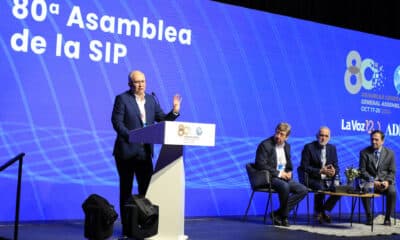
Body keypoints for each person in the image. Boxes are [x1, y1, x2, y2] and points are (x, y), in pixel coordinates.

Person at [111, 70, 182, 233]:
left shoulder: (151, 100)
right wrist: (131, 136)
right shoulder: (122, 99)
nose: (140, 84)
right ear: (130, 84)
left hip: (144, 152)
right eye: (137, 82)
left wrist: (175, 111)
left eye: (143, 81)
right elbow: (116, 122)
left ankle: (145, 222)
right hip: (126, 152)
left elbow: (162, 120)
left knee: (147, 189)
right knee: (126, 189)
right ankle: (127, 226)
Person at [255, 122, 308, 227]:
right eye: (277, 133)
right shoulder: (265, 145)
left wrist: (289, 172)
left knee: (303, 190)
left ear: (287, 137)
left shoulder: (287, 146)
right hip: (270, 177)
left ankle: (277, 214)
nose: (278, 136)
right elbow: (260, 164)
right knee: (285, 186)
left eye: (282, 134)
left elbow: (288, 164)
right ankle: (284, 217)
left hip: (284, 177)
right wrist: (279, 174)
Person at [299, 126, 340, 224]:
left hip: (327, 179)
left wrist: (334, 171)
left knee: (340, 188)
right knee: (320, 186)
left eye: (326, 136)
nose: (323, 138)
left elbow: (336, 167)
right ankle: (319, 212)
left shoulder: (332, 148)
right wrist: (320, 171)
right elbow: (304, 167)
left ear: (329, 137)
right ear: (317, 136)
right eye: (321, 135)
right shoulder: (309, 147)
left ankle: (323, 211)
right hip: (312, 178)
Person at [359, 129, 396, 226]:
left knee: (392, 191)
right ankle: (369, 216)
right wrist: (373, 181)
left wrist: (387, 182)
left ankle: (387, 218)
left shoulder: (390, 153)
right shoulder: (364, 152)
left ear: (382, 141)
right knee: (365, 188)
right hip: (370, 182)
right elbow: (362, 171)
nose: (373, 142)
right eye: (372, 139)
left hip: (384, 183)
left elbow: (392, 171)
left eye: (376, 139)